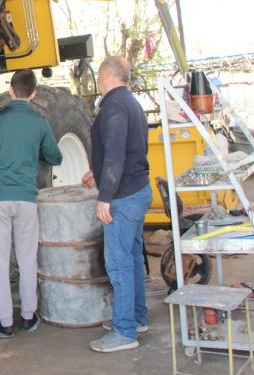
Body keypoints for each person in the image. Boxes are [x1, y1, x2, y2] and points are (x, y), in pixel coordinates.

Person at [0, 69, 62, 339]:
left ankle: (5, 322)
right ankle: (29, 316)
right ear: (33, 93)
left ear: (10, 90)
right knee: (27, 259)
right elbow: (55, 157)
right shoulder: (39, 122)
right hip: (25, 198)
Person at [82, 56, 152, 353]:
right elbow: (127, 150)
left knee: (118, 263)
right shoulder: (131, 103)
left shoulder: (113, 107)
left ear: (108, 75)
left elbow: (114, 155)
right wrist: (97, 173)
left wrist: (105, 196)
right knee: (132, 258)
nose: (98, 81)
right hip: (137, 189)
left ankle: (124, 332)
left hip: (123, 196)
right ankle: (136, 318)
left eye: (99, 76)